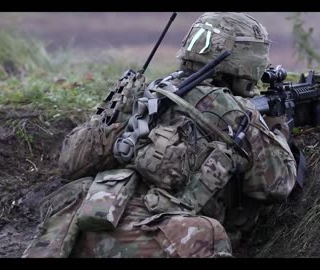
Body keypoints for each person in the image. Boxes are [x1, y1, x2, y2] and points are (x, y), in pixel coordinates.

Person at [22, 12, 297, 258]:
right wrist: (277, 131)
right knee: (206, 235)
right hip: (153, 238)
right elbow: (277, 185)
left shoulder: (150, 93)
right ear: (247, 62)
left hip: (81, 227)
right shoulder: (235, 114)